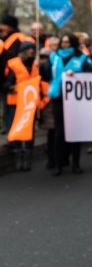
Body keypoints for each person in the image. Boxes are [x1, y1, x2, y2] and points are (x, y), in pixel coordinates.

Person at [45, 33, 92, 176]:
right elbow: (47, 75)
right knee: (59, 132)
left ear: (72, 43)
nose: (64, 45)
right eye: (62, 42)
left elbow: (90, 75)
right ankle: (58, 164)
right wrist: (40, 67)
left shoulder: (82, 57)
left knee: (74, 132)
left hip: (75, 99)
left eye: (67, 42)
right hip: (58, 97)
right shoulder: (54, 57)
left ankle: (76, 164)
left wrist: (77, 75)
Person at [3, 41, 39, 171]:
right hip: (15, 102)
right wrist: (7, 87)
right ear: (23, 51)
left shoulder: (36, 64)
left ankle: (27, 157)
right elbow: (7, 81)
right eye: (28, 49)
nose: (31, 51)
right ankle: (19, 156)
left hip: (29, 103)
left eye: (33, 49)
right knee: (17, 128)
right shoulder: (13, 64)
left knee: (29, 130)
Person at [0, 15, 34, 148]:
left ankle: (15, 141)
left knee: (14, 114)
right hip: (6, 81)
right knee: (8, 112)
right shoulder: (6, 38)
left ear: (10, 26)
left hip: (15, 81)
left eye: (3, 24)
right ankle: (12, 138)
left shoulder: (19, 39)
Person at [37, 48, 56, 170]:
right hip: (44, 105)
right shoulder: (37, 70)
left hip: (53, 101)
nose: (44, 61)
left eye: (46, 58)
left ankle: (58, 158)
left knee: (55, 132)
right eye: (42, 58)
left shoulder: (51, 68)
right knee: (51, 132)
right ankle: (51, 158)